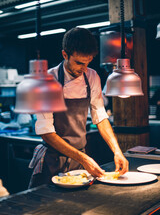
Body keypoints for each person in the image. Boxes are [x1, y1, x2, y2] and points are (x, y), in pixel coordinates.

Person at [28, 27, 128, 188]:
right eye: (79, 63)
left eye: (88, 62)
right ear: (65, 55)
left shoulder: (92, 76)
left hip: (80, 159)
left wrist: (117, 151)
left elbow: (100, 117)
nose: (83, 69)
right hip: (53, 159)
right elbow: (46, 132)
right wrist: (83, 158)